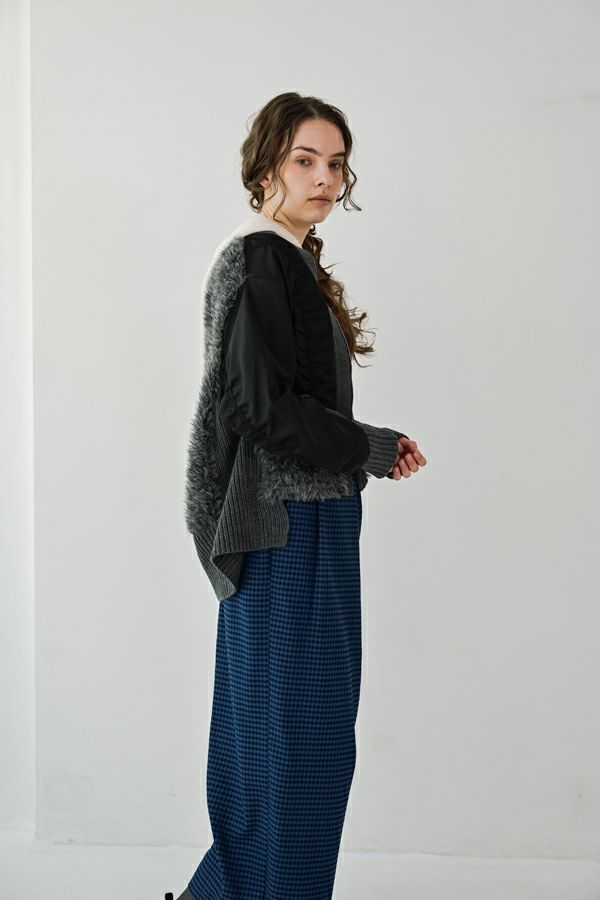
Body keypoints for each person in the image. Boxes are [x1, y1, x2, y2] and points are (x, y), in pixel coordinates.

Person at [170, 91, 427, 900]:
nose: (324, 178)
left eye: (336, 164)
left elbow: (280, 402)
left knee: (279, 747)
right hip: (290, 526)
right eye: (304, 160)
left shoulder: (289, 260)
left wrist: (368, 445)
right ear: (266, 168)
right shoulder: (262, 258)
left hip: (301, 518)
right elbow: (257, 409)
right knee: (296, 748)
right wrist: (365, 448)